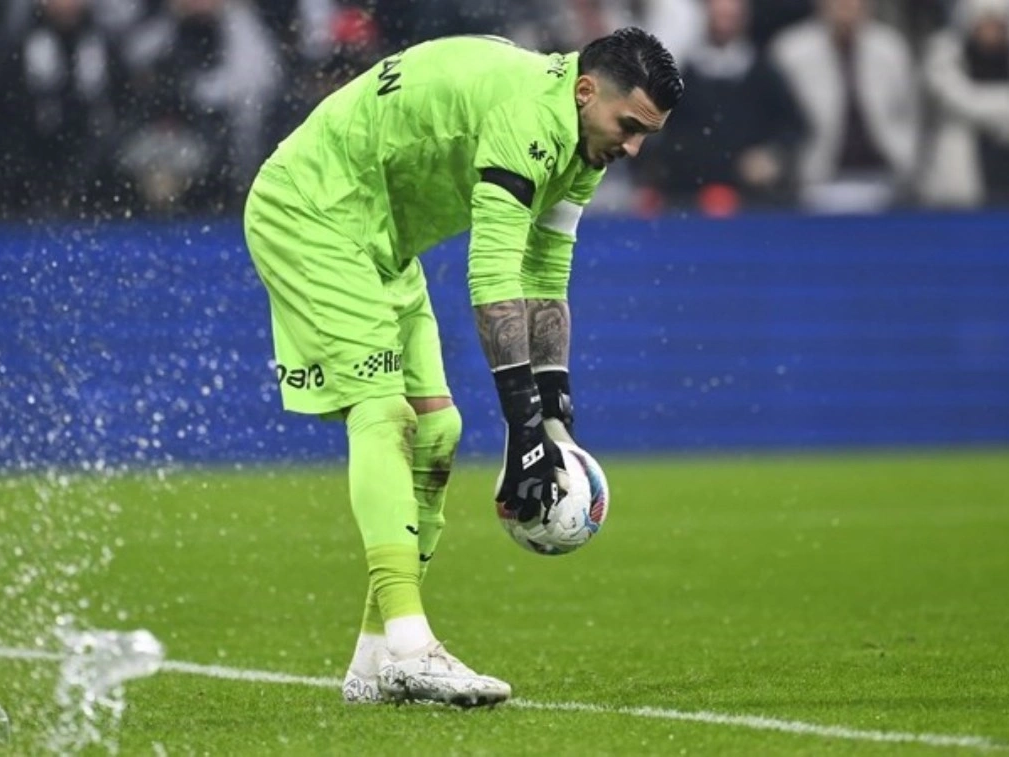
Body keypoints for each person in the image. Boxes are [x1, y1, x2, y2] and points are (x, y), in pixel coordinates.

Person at [242, 28, 682, 707]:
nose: (632, 149)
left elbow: (545, 274)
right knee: (384, 413)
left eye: (646, 135)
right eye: (629, 127)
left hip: (381, 240)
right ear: (586, 90)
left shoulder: (585, 139)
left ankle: (375, 659)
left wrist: (554, 421)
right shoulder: (529, 117)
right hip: (312, 211)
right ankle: (412, 645)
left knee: (437, 431)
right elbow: (493, 276)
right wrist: (522, 425)